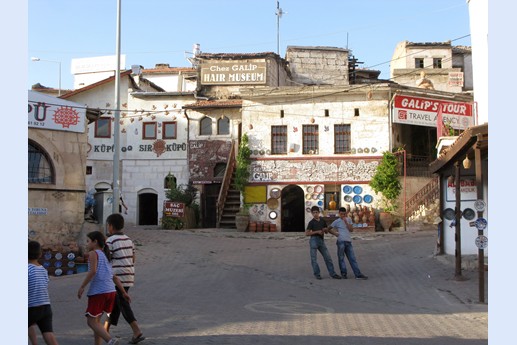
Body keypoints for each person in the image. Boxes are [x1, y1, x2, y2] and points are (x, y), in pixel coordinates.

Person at [77, 231, 130, 345]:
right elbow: (114, 277)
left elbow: (93, 271)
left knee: (91, 322)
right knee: (97, 321)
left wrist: (82, 286)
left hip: (99, 292)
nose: (87, 244)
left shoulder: (93, 253)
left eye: (88, 241)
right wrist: (123, 292)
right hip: (111, 291)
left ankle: (111, 341)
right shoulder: (106, 255)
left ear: (95, 242)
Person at [104, 213, 145, 344]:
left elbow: (106, 259)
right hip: (129, 274)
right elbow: (133, 257)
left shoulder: (110, 241)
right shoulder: (129, 239)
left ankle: (136, 330)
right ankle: (105, 330)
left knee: (122, 302)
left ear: (110, 226)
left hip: (117, 275)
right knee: (116, 303)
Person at [28, 240, 59, 345]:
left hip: (31, 307)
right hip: (45, 306)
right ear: (40, 254)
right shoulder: (43, 270)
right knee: (48, 333)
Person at [327, 207, 368, 280]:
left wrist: (346, 222)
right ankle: (344, 274)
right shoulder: (337, 221)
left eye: (344, 214)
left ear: (346, 214)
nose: (342, 215)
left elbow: (351, 230)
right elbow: (328, 229)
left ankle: (357, 274)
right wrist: (335, 234)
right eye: (341, 214)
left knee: (352, 258)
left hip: (348, 241)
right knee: (341, 258)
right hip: (341, 241)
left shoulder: (348, 219)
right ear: (339, 214)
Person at [305, 206, 341, 280]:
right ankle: (317, 274)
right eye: (313, 213)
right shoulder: (311, 222)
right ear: (312, 213)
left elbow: (327, 230)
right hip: (314, 240)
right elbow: (307, 233)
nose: (315, 214)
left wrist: (334, 233)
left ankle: (333, 274)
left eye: (316, 212)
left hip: (321, 241)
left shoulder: (322, 220)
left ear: (319, 212)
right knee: (314, 259)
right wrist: (317, 231)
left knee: (328, 258)